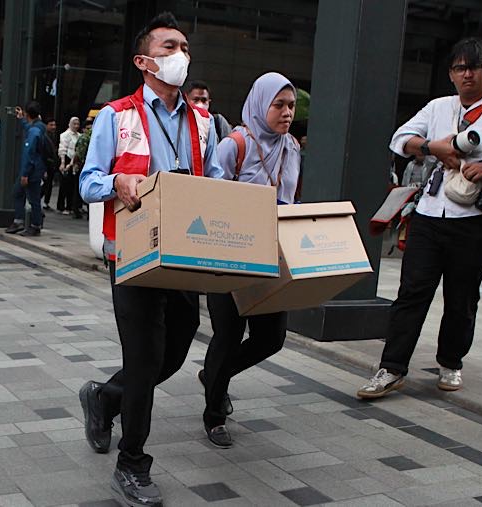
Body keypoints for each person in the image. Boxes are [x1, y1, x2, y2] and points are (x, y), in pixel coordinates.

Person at [77, 12, 222, 507]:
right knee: (143, 360)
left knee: (173, 354)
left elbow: (217, 181)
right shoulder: (116, 117)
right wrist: (117, 182)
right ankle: (133, 464)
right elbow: (87, 181)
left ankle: (105, 396)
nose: (180, 54)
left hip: (184, 254)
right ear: (144, 61)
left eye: (184, 46)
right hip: (134, 257)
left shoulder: (203, 122)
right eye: (169, 46)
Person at [358, 38, 482, 399]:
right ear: (451, 75)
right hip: (430, 213)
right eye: (460, 68)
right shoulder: (439, 107)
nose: (468, 74)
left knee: (462, 297)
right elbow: (400, 139)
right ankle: (392, 368)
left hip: (477, 219)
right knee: (412, 293)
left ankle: (451, 362)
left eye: (475, 67)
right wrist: (433, 148)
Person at [199, 72, 301, 449]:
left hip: (270, 258)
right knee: (228, 335)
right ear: (261, 105)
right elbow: (212, 197)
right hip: (230, 256)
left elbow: (289, 200)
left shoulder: (291, 147)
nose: (287, 113)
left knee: (271, 339)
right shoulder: (234, 144)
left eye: (291, 106)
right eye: (279, 105)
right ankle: (214, 415)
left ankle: (213, 376)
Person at [4, 101, 46, 237]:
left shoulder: (34, 131)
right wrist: (22, 119)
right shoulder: (39, 127)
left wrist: (25, 174)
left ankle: (33, 225)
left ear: (28, 114)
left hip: (31, 171)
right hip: (37, 168)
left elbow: (29, 154)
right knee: (22, 193)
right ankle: (24, 222)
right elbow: (29, 128)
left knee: (30, 197)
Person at [57, 116, 81, 217]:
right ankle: (62, 206)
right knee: (64, 185)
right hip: (66, 159)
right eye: (74, 124)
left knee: (72, 185)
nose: (76, 126)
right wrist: (63, 162)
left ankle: (70, 206)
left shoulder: (80, 136)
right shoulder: (64, 135)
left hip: (74, 161)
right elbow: (62, 148)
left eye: (77, 124)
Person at [41, 118, 59, 210]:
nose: (53, 127)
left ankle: (46, 202)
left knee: (49, 184)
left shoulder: (53, 136)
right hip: (46, 163)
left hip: (52, 164)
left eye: (54, 125)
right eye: (51, 125)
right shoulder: (44, 136)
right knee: (45, 184)